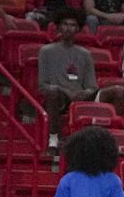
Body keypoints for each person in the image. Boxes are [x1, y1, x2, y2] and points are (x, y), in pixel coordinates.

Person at [37, 16, 97, 152]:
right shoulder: (46, 51)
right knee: (52, 92)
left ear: (77, 29)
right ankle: (53, 138)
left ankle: (110, 140)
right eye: (65, 24)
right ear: (59, 27)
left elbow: (92, 86)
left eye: (72, 25)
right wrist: (64, 90)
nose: (68, 28)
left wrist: (84, 93)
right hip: (58, 96)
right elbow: (42, 85)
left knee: (118, 91)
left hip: (81, 97)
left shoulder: (85, 54)